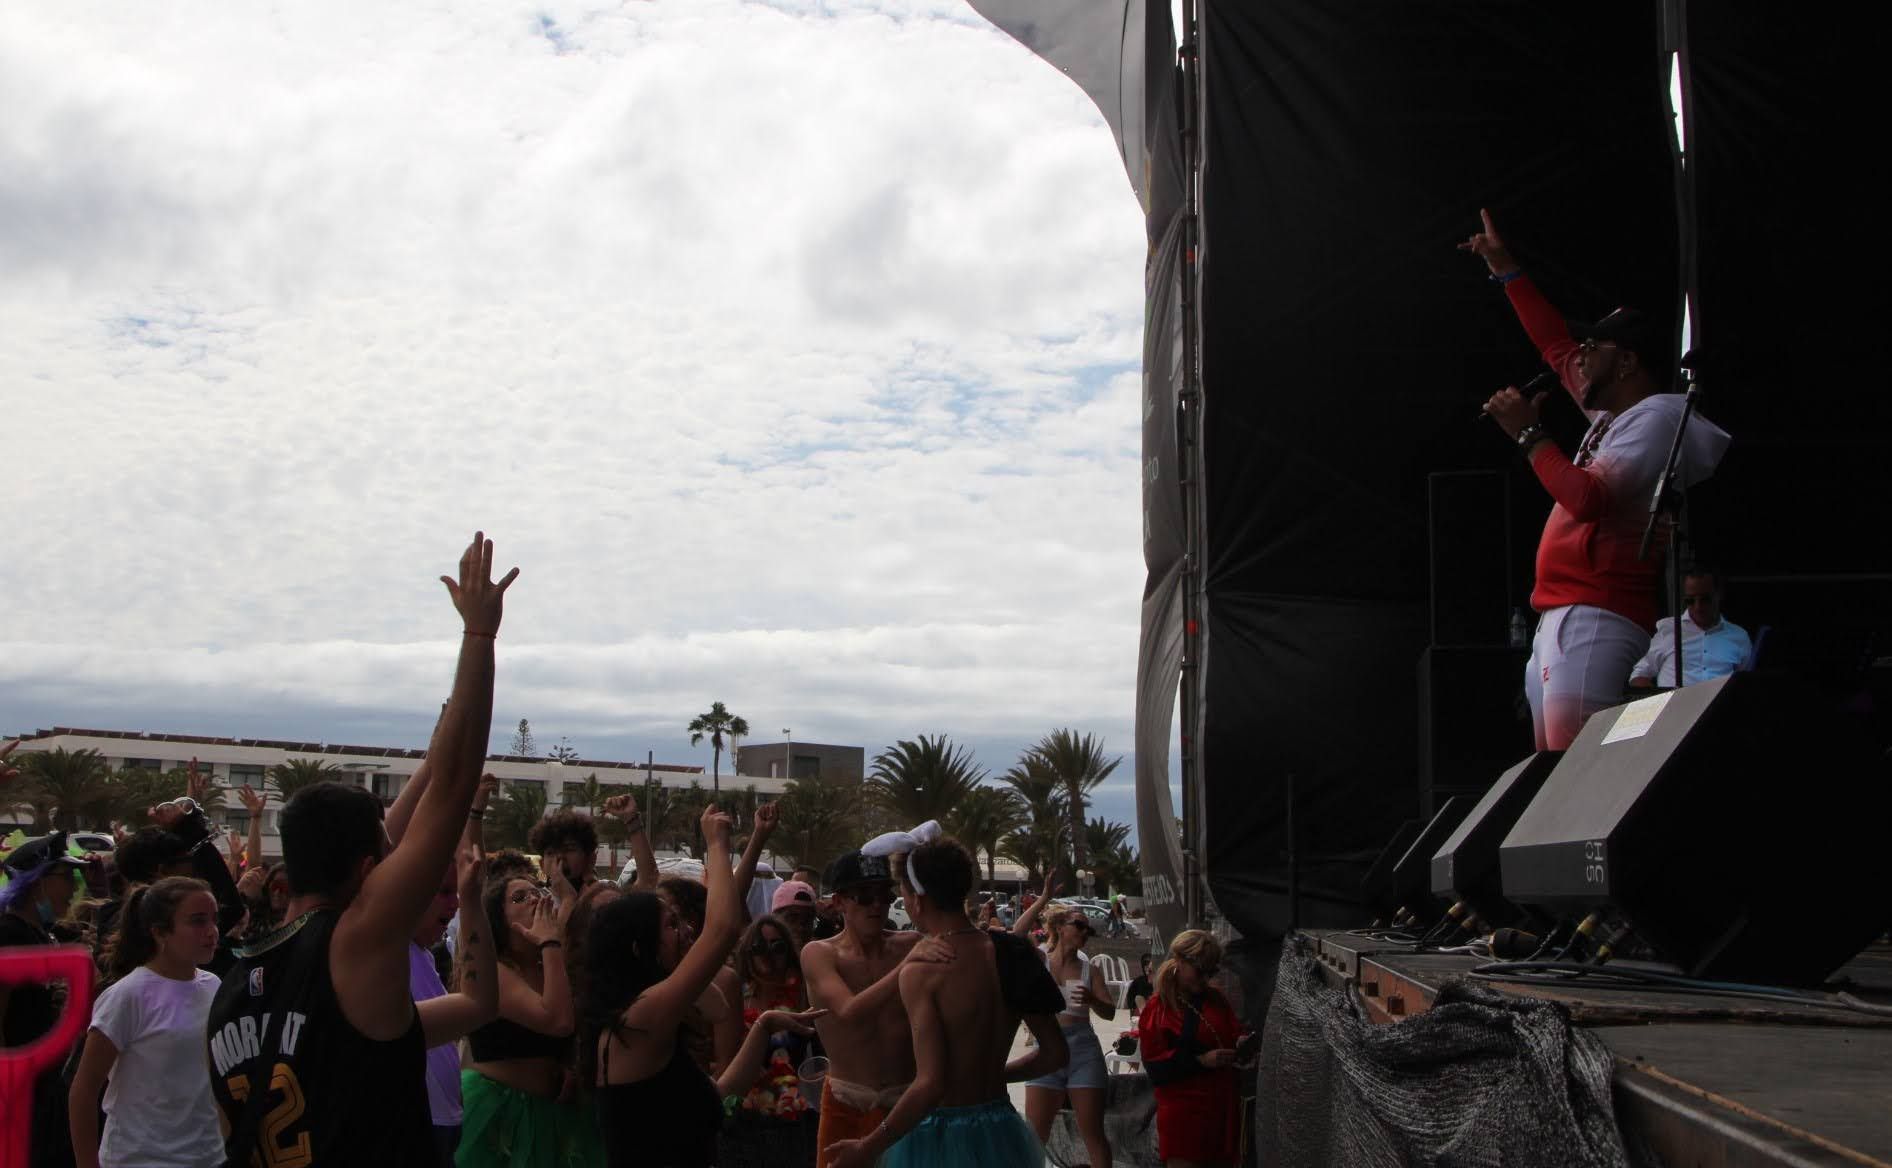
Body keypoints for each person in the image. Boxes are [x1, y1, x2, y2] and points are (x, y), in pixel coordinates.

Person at [208, 531, 517, 1166]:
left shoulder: (236, 984)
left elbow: (479, 1005)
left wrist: (469, 902)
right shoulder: (355, 948)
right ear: (368, 870)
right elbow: (456, 784)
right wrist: (479, 638)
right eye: (389, 850)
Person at [1463, 210, 1731, 749]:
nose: (1580, 359)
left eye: (1596, 349)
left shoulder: (1654, 418)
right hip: (1567, 614)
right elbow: (1554, 346)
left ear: (1628, 362)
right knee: (1553, 774)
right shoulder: (1614, 419)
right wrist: (1507, 270)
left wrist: (1529, 435)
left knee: (1572, 774)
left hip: (1597, 615)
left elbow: (1588, 499)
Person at [582, 804, 825, 1168]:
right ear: (639, 948)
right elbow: (724, 929)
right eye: (672, 925)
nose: (688, 932)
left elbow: (718, 1084)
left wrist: (763, 1026)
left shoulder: (648, 1011)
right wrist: (716, 842)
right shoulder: (641, 1015)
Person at [825, 835, 1070, 1168]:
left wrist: (868, 1146)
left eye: (901, 892)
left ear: (918, 900)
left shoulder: (925, 970)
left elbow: (930, 1085)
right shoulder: (1014, 952)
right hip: (1002, 1129)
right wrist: (994, 1073)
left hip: (941, 1136)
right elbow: (1055, 1053)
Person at [800, 849, 952, 1167]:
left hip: (908, 1103)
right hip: (847, 1100)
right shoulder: (820, 953)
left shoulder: (911, 943)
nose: (878, 906)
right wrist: (908, 965)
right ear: (839, 901)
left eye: (885, 896)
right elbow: (849, 1012)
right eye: (864, 897)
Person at [67, 877, 224, 1168]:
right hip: (139, 1159)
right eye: (197, 921)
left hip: (209, 1157)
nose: (212, 931)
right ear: (160, 932)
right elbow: (84, 1091)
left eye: (214, 919)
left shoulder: (215, 986)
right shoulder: (128, 996)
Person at [459, 868, 597, 1168]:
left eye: (538, 891)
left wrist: (567, 1066)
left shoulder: (550, 966)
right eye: (519, 898)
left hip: (552, 1113)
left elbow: (570, 1030)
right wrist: (549, 943)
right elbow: (558, 1021)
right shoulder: (494, 971)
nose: (535, 899)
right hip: (499, 1112)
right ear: (499, 919)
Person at [0, 831, 88, 1168]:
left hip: (49, 1086)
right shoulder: (9, 935)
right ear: (38, 883)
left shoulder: (45, 935)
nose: (72, 889)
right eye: (65, 878)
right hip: (21, 1090)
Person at [1139, 930, 1245, 1168]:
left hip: (1221, 1110)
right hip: (1184, 1114)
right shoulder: (1159, 1008)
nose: (1205, 978)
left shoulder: (1216, 998)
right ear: (1180, 961)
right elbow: (1156, 1067)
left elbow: (1233, 1030)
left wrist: (1240, 1043)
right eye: (1200, 971)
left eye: (1211, 971)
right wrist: (1201, 1061)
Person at [1023, 906, 1116, 1168]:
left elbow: (1109, 1012)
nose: (1085, 932)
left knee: (1094, 1135)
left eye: (1089, 929)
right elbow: (1016, 936)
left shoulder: (1090, 970)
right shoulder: (1039, 962)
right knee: (1033, 1137)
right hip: (1047, 1047)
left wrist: (1092, 999)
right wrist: (1041, 899)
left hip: (1083, 1049)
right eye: (1079, 925)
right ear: (1060, 927)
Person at [1629, 568, 1753, 689]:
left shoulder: (1739, 636)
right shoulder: (1669, 629)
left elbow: (1746, 683)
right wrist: (1659, 700)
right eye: (1690, 600)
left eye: (1705, 599)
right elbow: (1639, 676)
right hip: (1677, 707)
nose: (1698, 607)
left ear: (1719, 595)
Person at [529, 810, 600, 903]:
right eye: (551, 853)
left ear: (590, 859)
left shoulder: (606, 897)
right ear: (542, 865)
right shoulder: (535, 904)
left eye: (569, 849)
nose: (559, 857)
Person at [771, 879, 820, 947]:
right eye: (792, 919)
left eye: (808, 919)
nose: (801, 928)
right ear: (774, 918)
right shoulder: (762, 954)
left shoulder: (820, 954)